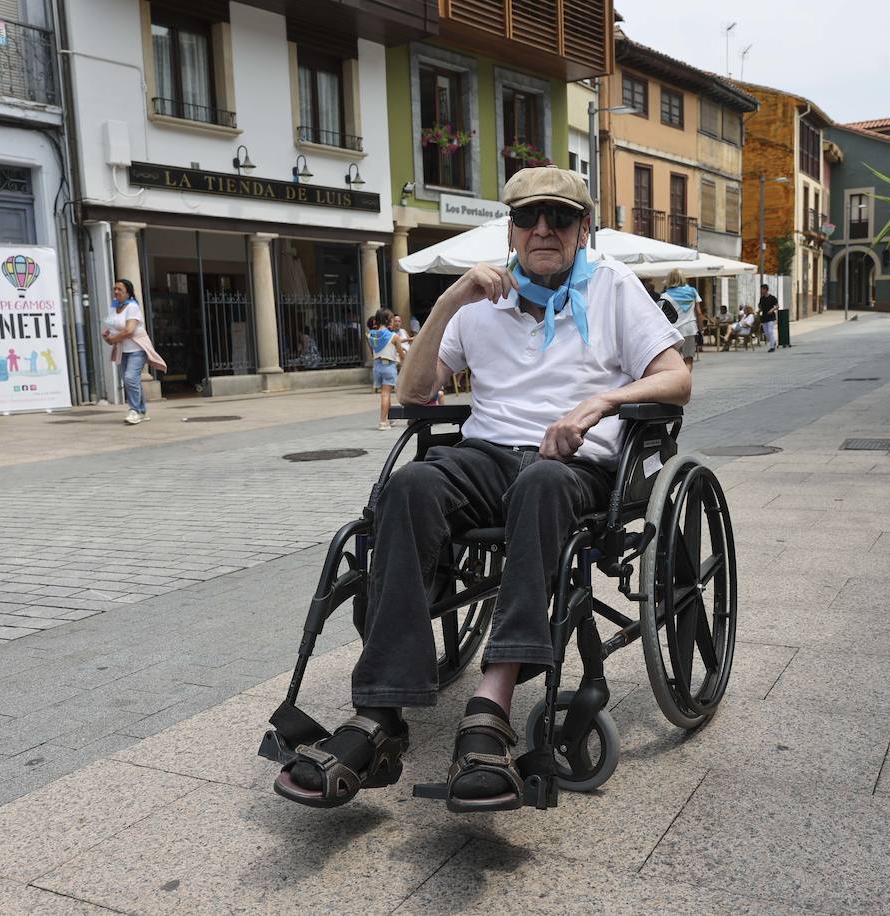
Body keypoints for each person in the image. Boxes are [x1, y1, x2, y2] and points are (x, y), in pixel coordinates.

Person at [274, 166, 688, 813]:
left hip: (574, 467)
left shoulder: (612, 288)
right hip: (490, 455)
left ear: (583, 228)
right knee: (409, 485)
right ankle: (379, 714)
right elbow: (412, 396)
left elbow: (675, 379)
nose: (543, 229)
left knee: (543, 485)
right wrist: (447, 301)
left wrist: (599, 403)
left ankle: (490, 708)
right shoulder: (480, 300)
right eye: (528, 217)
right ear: (512, 229)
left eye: (558, 216)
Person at [102, 279, 166, 425]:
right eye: (115, 289)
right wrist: (108, 337)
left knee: (130, 378)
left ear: (128, 293)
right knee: (130, 380)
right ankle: (141, 411)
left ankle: (134, 411)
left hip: (137, 349)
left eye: (120, 289)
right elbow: (111, 331)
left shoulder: (132, 307)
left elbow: (129, 330)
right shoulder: (114, 308)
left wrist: (113, 338)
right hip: (122, 350)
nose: (116, 292)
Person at [658, 269, 704, 371]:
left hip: (673, 332)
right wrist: (701, 329)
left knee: (675, 362)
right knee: (688, 360)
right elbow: (699, 313)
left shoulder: (665, 296)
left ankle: (679, 383)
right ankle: (686, 381)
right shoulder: (692, 292)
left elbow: (662, 317)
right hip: (690, 329)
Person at [367, 307, 405, 430]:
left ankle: (390, 417)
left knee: (384, 393)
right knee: (386, 394)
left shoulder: (371, 335)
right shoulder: (394, 337)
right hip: (388, 366)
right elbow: (401, 354)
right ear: (388, 320)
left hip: (376, 367)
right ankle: (383, 422)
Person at [757, 283, 780, 352]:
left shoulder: (772, 298)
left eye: (762, 289)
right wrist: (758, 311)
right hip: (764, 317)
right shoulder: (762, 298)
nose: (761, 291)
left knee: (770, 331)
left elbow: (777, 306)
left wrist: (772, 310)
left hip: (771, 317)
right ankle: (773, 342)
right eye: (761, 289)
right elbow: (761, 307)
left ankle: (772, 347)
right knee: (766, 333)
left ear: (766, 290)